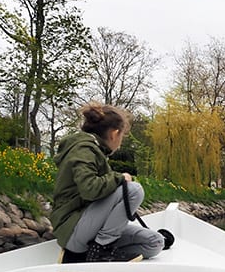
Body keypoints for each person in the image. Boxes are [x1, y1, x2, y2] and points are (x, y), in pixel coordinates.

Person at [50, 102, 164, 263]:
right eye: (122, 136)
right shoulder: (83, 149)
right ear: (114, 133)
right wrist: (119, 178)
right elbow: (90, 188)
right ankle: (100, 250)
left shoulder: (95, 150)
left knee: (155, 242)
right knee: (134, 190)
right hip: (72, 228)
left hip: (88, 226)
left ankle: (89, 254)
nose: (121, 142)